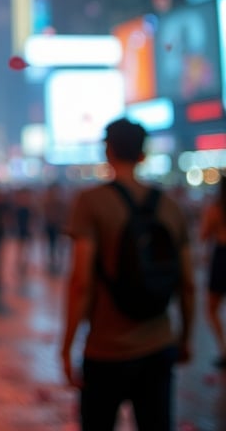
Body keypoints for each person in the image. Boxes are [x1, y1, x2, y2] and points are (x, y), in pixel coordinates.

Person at [60, 118, 195, 431]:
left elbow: (81, 283)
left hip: (106, 349)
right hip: (159, 343)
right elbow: (188, 284)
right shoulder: (171, 206)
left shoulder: (90, 202)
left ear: (107, 151)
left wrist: (67, 347)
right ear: (143, 154)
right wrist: (185, 338)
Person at [199, 174, 226, 368]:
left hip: (222, 258)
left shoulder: (215, 209)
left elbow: (204, 235)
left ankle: (224, 349)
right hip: (220, 258)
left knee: (211, 309)